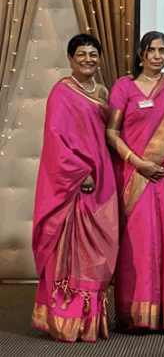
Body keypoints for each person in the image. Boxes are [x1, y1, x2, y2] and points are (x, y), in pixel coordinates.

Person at [31, 34, 118, 342]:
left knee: (98, 252)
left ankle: (91, 320)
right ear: (70, 58)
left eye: (93, 54)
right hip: (74, 183)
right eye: (81, 54)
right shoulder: (61, 92)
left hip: (102, 176)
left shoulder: (104, 91)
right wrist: (80, 173)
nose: (88, 59)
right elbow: (56, 139)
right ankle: (67, 321)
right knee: (71, 253)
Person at [105, 31, 164, 330]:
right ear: (141, 54)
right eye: (152, 50)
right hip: (134, 176)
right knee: (137, 244)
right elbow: (112, 133)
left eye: (163, 50)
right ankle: (136, 315)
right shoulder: (124, 87)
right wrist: (138, 162)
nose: (157, 56)